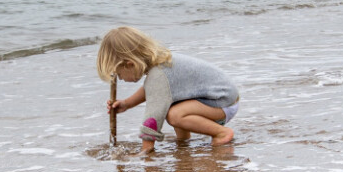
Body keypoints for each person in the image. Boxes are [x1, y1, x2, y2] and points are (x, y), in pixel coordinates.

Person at [97, 26, 240, 148]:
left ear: (130, 64)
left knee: (174, 114)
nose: (120, 78)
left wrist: (146, 149)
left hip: (222, 101)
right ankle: (183, 141)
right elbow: (152, 90)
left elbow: (153, 115)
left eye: (119, 74)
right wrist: (127, 103)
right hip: (219, 98)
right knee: (174, 102)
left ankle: (222, 133)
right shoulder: (160, 65)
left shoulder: (159, 75)